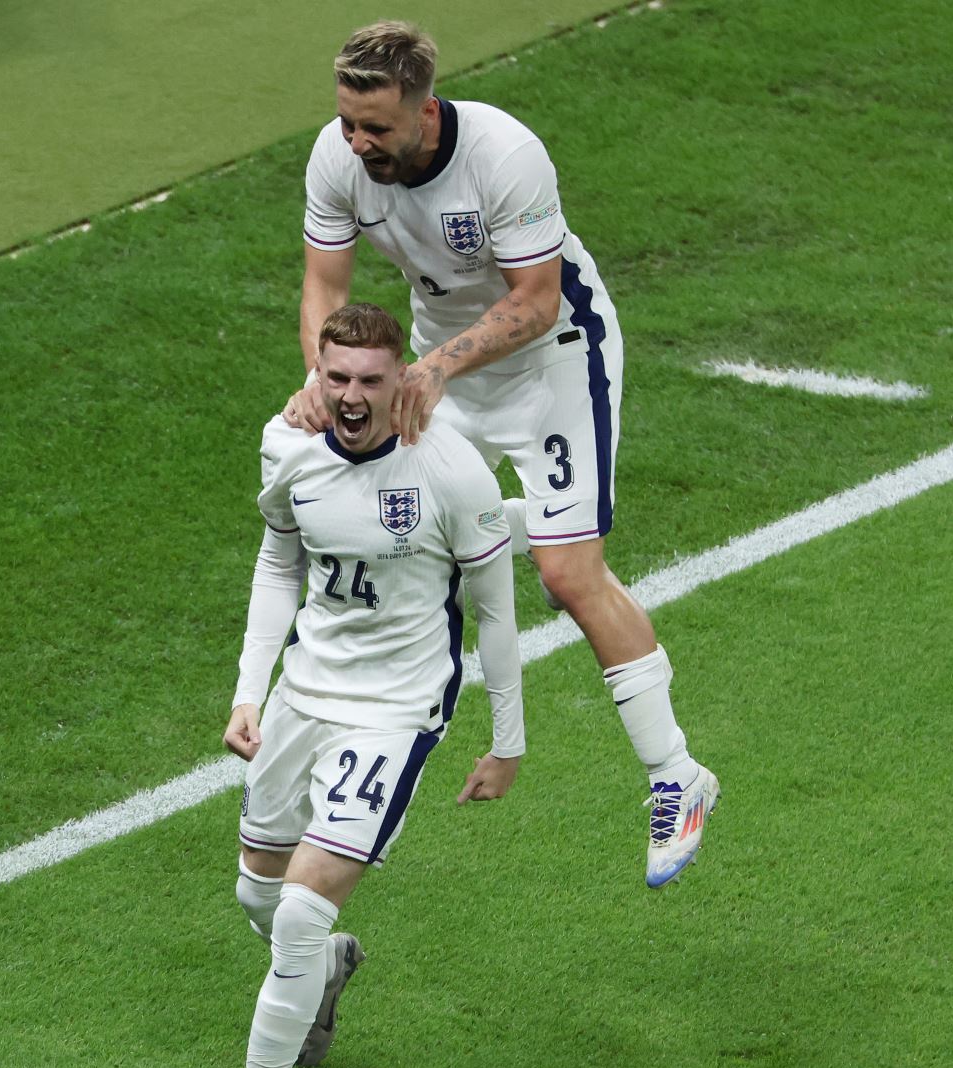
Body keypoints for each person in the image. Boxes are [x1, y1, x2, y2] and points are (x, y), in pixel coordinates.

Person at [284, 20, 718, 890]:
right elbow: (326, 285)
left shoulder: (504, 155)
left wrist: (434, 369)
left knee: (567, 573)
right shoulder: (336, 162)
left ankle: (677, 774)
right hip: (440, 363)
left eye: (377, 127)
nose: (358, 142)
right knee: (395, 528)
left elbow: (536, 297)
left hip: (553, 357)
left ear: (424, 110)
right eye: (347, 123)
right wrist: (323, 384)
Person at [186, 303, 524, 1068]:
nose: (349, 396)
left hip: (396, 710)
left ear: (401, 375)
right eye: (335, 377)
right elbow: (278, 560)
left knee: (298, 914)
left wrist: (506, 739)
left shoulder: (451, 472)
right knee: (257, 897)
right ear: (319, 374)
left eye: (370, 379)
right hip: (305, 695)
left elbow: (493, 609)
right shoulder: (288, 443)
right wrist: (249, 692)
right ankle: (333, 969)